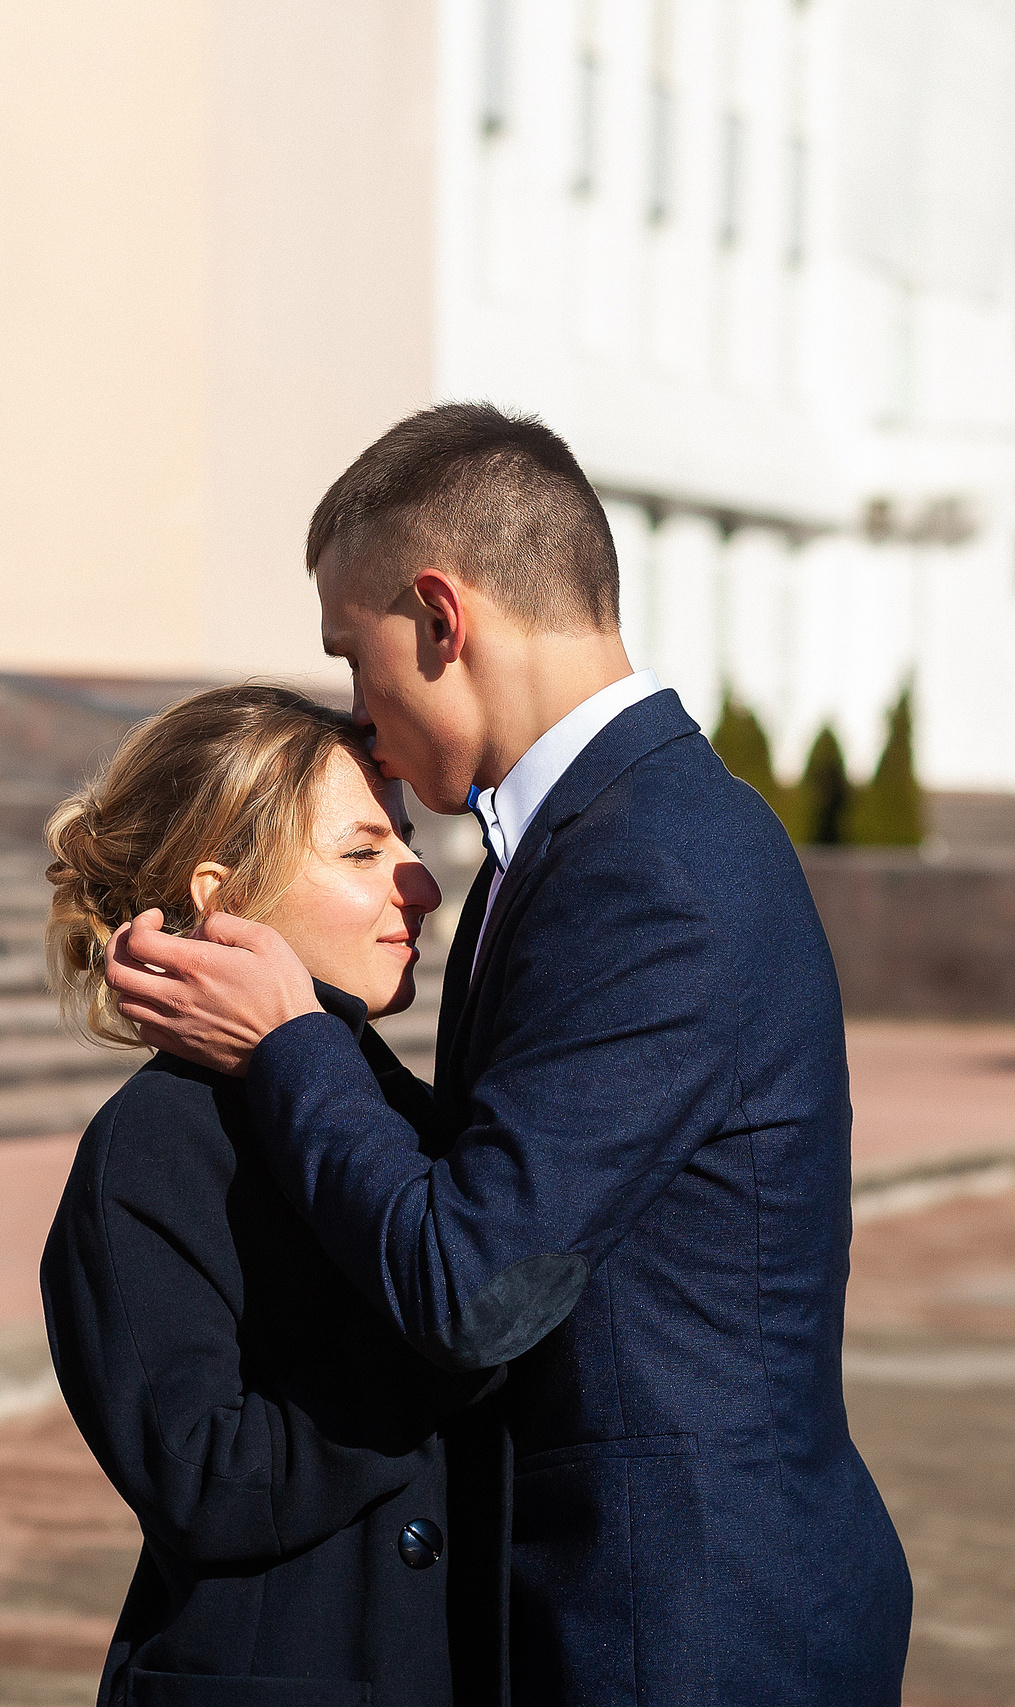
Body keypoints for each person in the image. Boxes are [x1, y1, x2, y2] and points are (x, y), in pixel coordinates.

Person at [103, 404, 914, 1703]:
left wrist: (290, 1039)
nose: (359, 718)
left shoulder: (651, 863)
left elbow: (476, 1278)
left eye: (352, 656)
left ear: (440, 617)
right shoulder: (595, 838)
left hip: (681, 1628)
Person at [39, 684, 507, 1707]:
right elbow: (207, 1479)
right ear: (224, 896)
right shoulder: (155, 1148)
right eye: (361, 852)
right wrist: (465, 1322)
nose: (419, 884)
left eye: (407, 843)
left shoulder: (406, 1113)